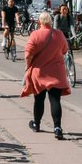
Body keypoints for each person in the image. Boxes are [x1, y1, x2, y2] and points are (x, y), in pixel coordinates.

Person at [21, 11, 71, 139]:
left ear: (39, 22)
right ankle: (57, 128)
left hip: (40, 72)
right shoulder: (59, 34)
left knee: (39, 100)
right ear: (50, 21)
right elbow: (65, 50)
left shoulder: (35, 35)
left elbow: (28, 54)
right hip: (56, 72)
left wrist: (28, 66)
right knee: (55, 100)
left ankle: (36, 124)